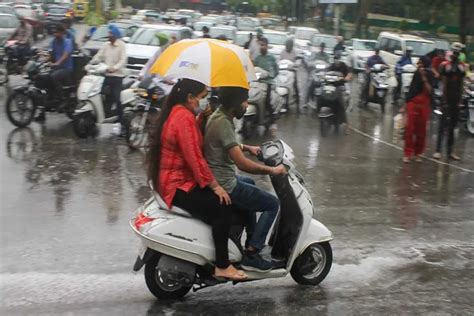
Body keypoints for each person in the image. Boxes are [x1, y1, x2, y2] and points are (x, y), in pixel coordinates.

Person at [147, 78, 247, 281]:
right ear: (190, 97)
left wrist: (201, 118)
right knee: (223, 206)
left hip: (173, 181)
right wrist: (215, 186)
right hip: (178, 185)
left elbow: (190, 140)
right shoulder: (183, 118)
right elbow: (195, 158)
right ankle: (222, 265)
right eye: (201, 97)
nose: (203, 101)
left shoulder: (179, 112)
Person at [204, 86, 286, 272]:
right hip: (225, 183)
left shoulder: (219, 115)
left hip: (219, 176)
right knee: (272, 204)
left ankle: (250, 240)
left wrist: (248, 147)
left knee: (249, 185)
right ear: (235, 104)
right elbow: (242, 165)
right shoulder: (224, 123)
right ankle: (252, 252)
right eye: (244, 102)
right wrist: (272, 170)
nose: (247, 105)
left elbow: (227, 144)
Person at [91, 24, 127, 135]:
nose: (108, 35)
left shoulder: (121, 45)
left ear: (115, 35)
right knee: (98, 94)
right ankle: (100, 118)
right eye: (109, 33)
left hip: (117, 76)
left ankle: (123, 124)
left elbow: (123, 60)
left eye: (111, 33)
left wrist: (114, 68)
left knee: (117, 98)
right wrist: (91, 63)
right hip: (106, 75)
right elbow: (99, 56)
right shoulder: (106, 45)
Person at [433, 42, 466, 161]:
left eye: (458, 53)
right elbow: (444, 83)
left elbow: (462, 84)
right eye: (455, 53)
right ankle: (438, 150)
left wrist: (460, 100)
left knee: (453, 126)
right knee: (443, 125)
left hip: (456, 99)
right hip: (446, 99)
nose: (456, 55)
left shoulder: (462, 67)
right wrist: (444, 100)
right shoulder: (445, 65)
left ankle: (450, 151)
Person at [35, 24, 73, 122]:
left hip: (66, 69)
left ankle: (62, 99)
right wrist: (42, 61)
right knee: (44, 82)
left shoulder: (67, 42)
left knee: (53, 76)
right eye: (55, 32)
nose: (56, 34)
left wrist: (57, 63)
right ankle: (42, 114)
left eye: (58, 32)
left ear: (62, 33)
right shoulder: (54, 42)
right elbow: (51, 55)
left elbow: (65, 55)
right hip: (56, 68)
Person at [401, 56, 433, 163]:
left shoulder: (429, 75)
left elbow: (430, 91)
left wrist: (424, 77)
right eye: (418, 64)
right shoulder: (416, 74)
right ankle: (407, 153)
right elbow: (411, 91)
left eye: (421, 64)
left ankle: (418, 152)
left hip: (424, 105)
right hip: (413, 103)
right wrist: (405, 105)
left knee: (421, 130)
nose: (419, 66)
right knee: (409, 129)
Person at [254, 37, 279, 130]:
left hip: (267, 83)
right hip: (257, 83)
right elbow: (254, 70)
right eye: (260, 45)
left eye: (263, 45)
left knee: (267, 101)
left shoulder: (271, 58)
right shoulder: (257, 58)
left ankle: (273, 121)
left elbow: (276, 71)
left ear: (267, 46)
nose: (261, 47)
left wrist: (271, 77)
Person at [326, 52, 352, 131]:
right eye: (335, 59)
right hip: (331, 86)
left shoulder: (344, 65)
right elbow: (326, 72)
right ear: (333, 59)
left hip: (342, 85)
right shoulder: (331, 66)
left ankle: (347, 125)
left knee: (343, 103)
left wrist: (346, 78)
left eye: (338, 59)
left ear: (340, 59)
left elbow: (349, 73)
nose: (336, 60)